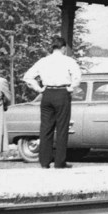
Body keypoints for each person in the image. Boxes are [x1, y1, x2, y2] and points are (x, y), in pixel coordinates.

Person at [23, 36, 82, 169]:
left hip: (47, 93)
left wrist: (39, 89)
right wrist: (71, 88)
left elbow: (28, 77)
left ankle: (44, 161)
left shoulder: (43, 61)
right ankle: (59, 162)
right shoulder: (69, 61)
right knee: (62, 128)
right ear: (63, 48)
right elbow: (77, 77)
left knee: (46, 128)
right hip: (62, 92)